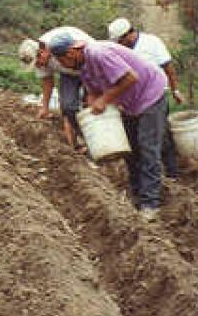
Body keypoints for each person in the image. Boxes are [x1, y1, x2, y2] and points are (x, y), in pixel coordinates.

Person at [48, 31, 168, 222]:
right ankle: (136, 195)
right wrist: (92, 105)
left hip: (150, 95)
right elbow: (92, 92)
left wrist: (104, 100)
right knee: (131, 149)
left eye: (61, 61)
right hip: (130, 103)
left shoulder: (98, 53)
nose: (62, 66)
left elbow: (130, 77)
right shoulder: (83, 66)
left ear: (71, 53)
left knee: (147, 148)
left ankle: (150, 204)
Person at [109, 18, 183, 180]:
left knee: (161, 136)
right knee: (139, 141)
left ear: (129, 34)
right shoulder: (120, 50)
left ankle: (171, 172)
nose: (119, 44)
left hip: (156, 96)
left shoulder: (152, 43)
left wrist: (175, 90)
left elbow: (168, 68)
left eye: (120, 41)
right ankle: (146, 174)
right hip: (134, 101)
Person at [19, 26, 95, 151]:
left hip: (90, 67)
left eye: (38, 62)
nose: (39, 66)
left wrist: (92, 92)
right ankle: (78, 142)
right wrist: (45, 107)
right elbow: (47, 82)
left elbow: (91, 55)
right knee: (67, 106)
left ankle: (98, 140)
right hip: (68, 73)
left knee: (91, 105)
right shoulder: (40, 58)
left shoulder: (59, 43)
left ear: (42, 51)